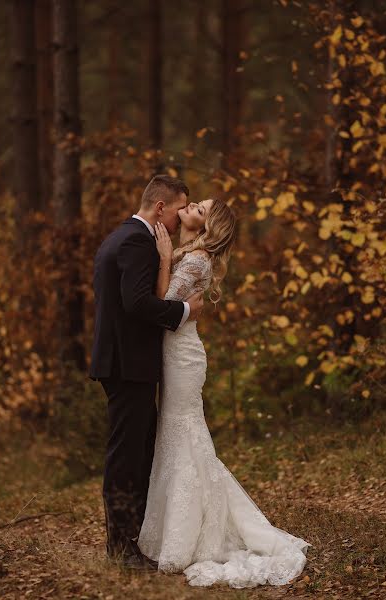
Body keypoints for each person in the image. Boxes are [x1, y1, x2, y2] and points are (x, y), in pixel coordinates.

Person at [138, 198, 311, 588]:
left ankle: (187, 538)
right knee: (178, 436)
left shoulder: (196, 260)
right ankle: (175, 529)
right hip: (176, 353)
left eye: (199, 206)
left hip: (182, 357)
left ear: (207, 225)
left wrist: (165, 259)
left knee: (184, 435)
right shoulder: (191, 251)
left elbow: (165, 304)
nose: (192, 203)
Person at [89, 175, 204, 569]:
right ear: (160, 208)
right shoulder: (138, 241)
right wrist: (186, 312)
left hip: (122, 361)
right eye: (177, 210)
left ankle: (132, 540)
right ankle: (122, 549)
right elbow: (137, 303)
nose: (176, 221)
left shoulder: (118, 236)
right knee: (126, 457)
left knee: (136, 452)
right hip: (129, 364)